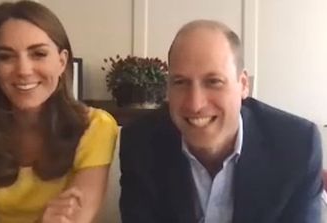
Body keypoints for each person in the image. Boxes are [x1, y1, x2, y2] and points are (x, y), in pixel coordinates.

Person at [119, 19, 323, 223]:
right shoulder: (140, 144)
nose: (195, 104)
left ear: (243, 85)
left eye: (213, 82)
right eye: (180, 82)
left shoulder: (298, 146)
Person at [0, 1, 118, 223]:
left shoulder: (96, 126)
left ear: (62, 61)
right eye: (6, 56)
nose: (23, 70)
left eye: (38, 54)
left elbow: (74, 220)